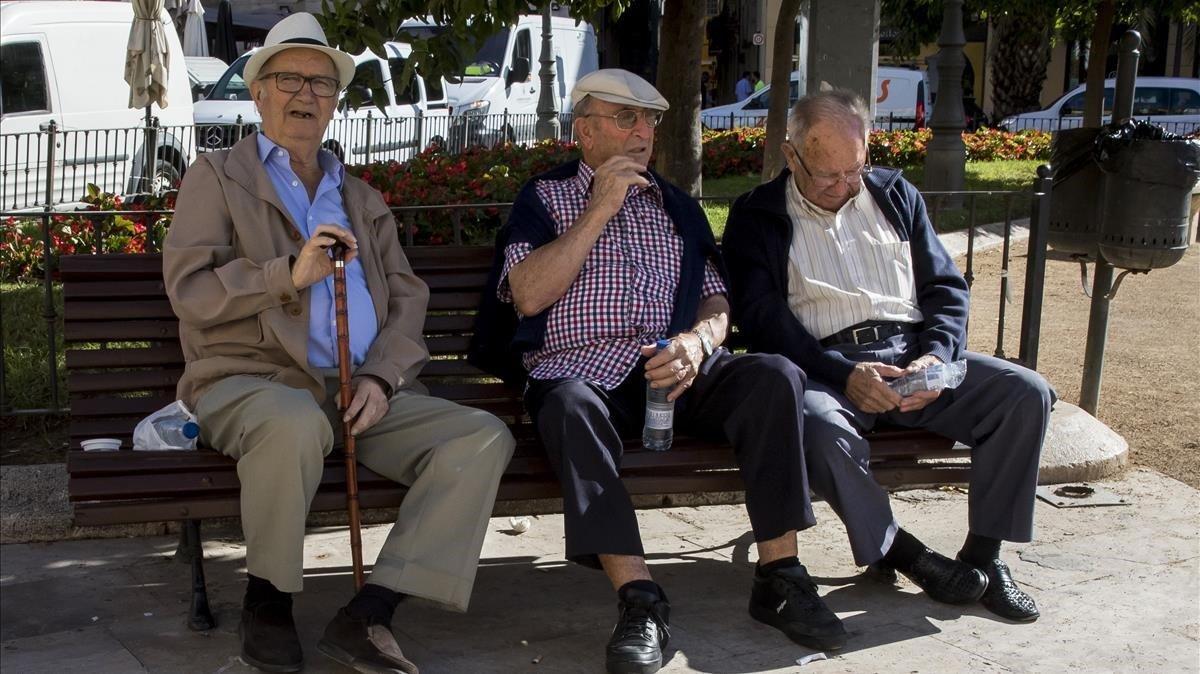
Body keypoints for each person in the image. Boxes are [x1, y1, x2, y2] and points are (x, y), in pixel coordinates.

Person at [163, 13, 515, 673]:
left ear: (335, 101)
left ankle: (371, 612)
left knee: (480, 437)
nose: (306, 94)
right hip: (252, 382)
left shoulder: (358, 195)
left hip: (355, 387)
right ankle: (268, 602)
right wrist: (286, 275)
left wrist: (383, 378)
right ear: (260, 91)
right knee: (292, 421)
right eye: (290, 78)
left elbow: (407, 298)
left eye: (321, 84)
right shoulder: (216, 178)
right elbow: (191, 290)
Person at [473, 68, 841, 674]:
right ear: (585, 131)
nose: (644, 132)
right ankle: (640, 598)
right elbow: (528, 295)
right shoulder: (544, 198)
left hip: (673, 370)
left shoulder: (676, 206)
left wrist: (698, 343)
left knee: (773, 376)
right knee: (567, 406)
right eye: (626, 118)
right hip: (580, 370)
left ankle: (780, 575)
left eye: (650, 120)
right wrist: (599, 209)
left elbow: (718, 300)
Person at [722, 89, 1053, 628]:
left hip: (911, 355)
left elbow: (945, 288)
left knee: (1024, 395)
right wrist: (841, 373)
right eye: (828, 175)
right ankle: (906, 554)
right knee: (814, 426)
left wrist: (935, 356)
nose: (845, 185)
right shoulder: (757, 215)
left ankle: (984, 557)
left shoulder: (896, 194)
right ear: (791, 155)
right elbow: (763, 319)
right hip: (824, 366)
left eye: (855, 169)